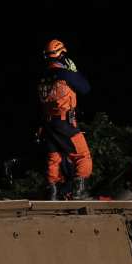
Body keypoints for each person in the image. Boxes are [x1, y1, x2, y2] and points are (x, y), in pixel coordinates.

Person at [37, 39, 92, 200]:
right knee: (82, 156)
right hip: (64, 124)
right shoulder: (66, 74)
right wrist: (74, 71)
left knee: (54, 158)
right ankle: (79, 191)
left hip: (48, 124)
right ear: (61, 55)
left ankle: (52, 192)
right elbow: (85, 88)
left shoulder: (42, 77)